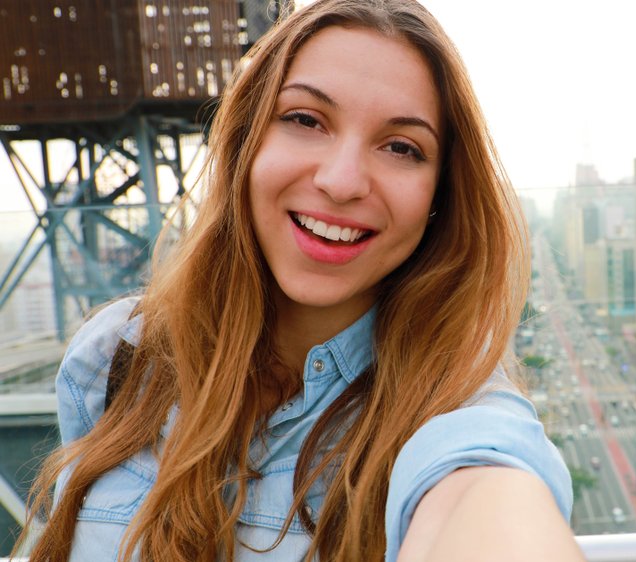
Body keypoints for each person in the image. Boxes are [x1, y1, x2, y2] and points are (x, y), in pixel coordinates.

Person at [16, 1, 584, 560]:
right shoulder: (115, 355)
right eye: (305, 120)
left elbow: (486, 500)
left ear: (441, 196)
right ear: (246, 142)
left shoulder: (456, 413)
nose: (341, 182)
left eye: (401, 147)